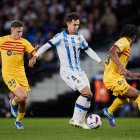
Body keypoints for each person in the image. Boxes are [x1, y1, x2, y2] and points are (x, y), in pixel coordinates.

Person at [28, 12, 104, 129]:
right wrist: (35, 56)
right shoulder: (60, 36)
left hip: (79, 71)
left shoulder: (80, 37)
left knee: (89, 95)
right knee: (86, 93)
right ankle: (75, 119)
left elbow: (88, 50)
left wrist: (100, 61)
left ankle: (81, 121)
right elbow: (46, 46)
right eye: (74, 24)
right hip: (67, 71)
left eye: (78, 24)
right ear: (68, 24)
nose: (76, 27)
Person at [0, 20, 38, 129]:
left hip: (21, 74)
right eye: (18, 32)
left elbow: (33, 52)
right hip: (8, 74)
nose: (20, 34)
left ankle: (18, 121)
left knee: (24, 100)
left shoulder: (24, 42)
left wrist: (34, 57)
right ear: (12, 30)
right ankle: (13, 102)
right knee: (22, 96)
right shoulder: (2, 40)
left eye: (21, 32)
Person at [103, 24, 140, 126]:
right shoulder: (124, 42)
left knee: (124, 98)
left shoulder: (125, 44)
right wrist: (122, 67)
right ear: (133, 36)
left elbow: (118, 63)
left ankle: (109, 111)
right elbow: (112, 52)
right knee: (138, 95)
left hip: (115, 77)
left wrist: (131, 75)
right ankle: (109, 111)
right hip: (113, 78)